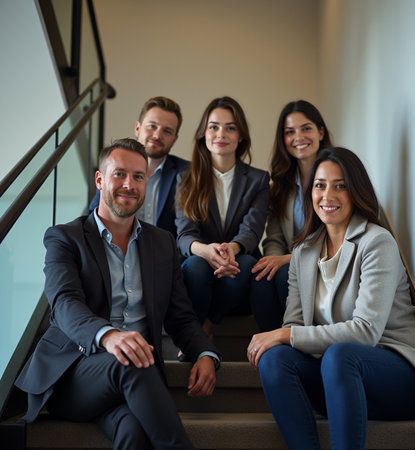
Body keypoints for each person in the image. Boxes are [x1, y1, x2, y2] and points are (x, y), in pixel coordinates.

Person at [16, 138, 220, 450]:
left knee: (134, 431)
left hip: (133, 379)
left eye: (139, 176)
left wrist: (204, 354)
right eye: (119, 174)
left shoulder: (163, 243)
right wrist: (110, 336)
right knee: (133, 359)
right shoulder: (65, 238)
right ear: (100, 179)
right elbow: (64, 304)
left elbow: (180, 317)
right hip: (73, 373)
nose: (129, 184)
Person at [247, 147, 415, 450]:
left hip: (399, 379)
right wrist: (285, 337)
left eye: (340, 186)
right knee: (274, 358)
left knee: (339, 354)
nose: (328, 195)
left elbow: (365, 331)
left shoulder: (377, 242)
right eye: (320, 185)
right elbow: (296, 324)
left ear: (356, 191)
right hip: (340, 380)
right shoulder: (302, 252)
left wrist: (284, 334)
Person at [175, 96, 276, 339]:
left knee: (246, 265)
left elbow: (252, 230)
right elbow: (184, 234)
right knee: (195, 266)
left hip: (236, 270)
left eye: (230, 128)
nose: (221, 134)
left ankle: (208, 324)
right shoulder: (185, 178)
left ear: (241, 136)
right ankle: (193, 333)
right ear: (203, 133)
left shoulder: (259, 180)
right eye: (214, 127)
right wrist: (207, 251)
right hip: (200, 264)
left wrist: (229, 249)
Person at [252, 100, 332, 314]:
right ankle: (272, 343)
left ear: (321, 132)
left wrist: (286, 260)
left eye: (306, 128)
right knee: (261, 279)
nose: (298, 137)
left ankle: (296, 338)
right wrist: (272, 260)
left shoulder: (337, 180)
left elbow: (335, 241)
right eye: (290, 132)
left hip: (326, 265)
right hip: (292, 265)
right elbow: (275, 238)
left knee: (285, 273)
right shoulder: (280, 187)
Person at [88, 96, 189, 238]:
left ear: (174, 139)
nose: (157, 135)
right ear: (137, 128)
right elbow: (93, 218)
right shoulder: (115, 168)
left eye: (167, 131)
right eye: (152, 126)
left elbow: (188, 230)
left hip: (168, 256)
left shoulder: (187, 172)